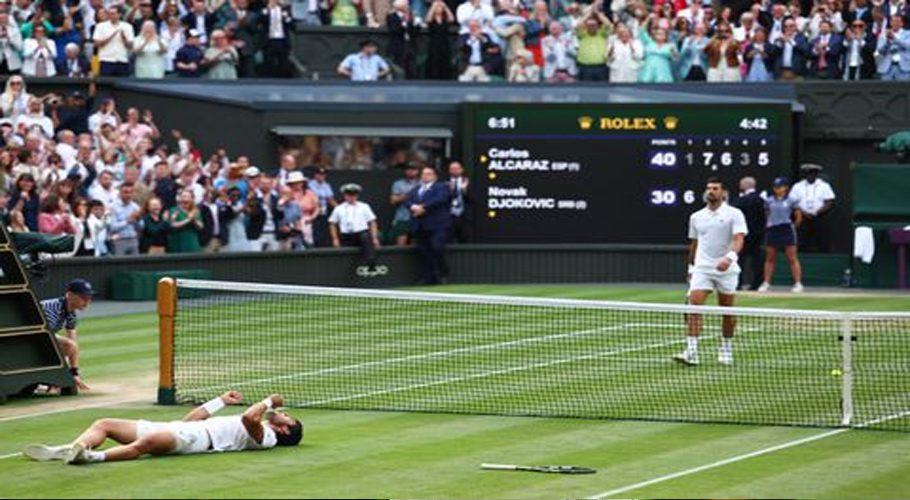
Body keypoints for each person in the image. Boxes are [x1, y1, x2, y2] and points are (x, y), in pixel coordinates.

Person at [23, 392, 302, 465]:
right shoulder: (263, 425)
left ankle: (92, 457)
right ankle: (72, 448)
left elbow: (249, 419)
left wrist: (269, 401)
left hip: (195, 442)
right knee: (104, 423)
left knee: (145, 445)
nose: (284, 414)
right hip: (185, 429)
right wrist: (219, 401)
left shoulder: (267, 438)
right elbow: (192, 419)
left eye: (288, 418)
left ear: (285, 432)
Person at [675, 177, 748, 366]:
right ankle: (691, 351)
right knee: (694, 306)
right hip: (702, 269)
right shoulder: (696, 217)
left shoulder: (735, 214)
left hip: (727, 269)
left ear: (723, 193)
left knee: (727, 312)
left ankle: (726, 348)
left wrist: (730, 258)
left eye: (715, 188)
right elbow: (695, 244)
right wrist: (691, 267)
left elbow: (739, 239)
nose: (711, 191)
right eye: (708, 188)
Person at [40, 279, 94, 390]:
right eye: (83, 298)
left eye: (88, 298)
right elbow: (44, 338)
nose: (87, 302)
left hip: (39, 337)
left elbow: (73, 344)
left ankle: (51, 377)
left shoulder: (71, 314)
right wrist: (62, 373)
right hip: (26, 339)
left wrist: (74, 373)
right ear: (70, 295)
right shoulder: (51, 308)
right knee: (67, 345)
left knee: (70, 345)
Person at [405, 165, 451, 285]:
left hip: (438, 225)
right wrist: (413, 207)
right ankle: (428, 278)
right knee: (424, 253)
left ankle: (443, 274)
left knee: (437, 248)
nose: (425, 176)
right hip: (420, 226)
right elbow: (408, 201)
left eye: (428, 173)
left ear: (435, 176)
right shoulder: (416, 189)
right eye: (423, 174)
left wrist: (423, 207)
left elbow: (440, 199)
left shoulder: (441, 187)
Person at [757, 177, 803, 293]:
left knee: (792, 258)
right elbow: (767, 214)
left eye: (780, 187)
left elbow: (798, 216)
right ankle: (766, 283)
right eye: (775, 187)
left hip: (786, 229)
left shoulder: (792, 200)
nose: (777, 189)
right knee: (770, 258)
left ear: (786, 188)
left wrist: (793, 226)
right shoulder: (769, 200)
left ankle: (797, 283)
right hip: (773, 229)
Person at [329, 183, 381, 272]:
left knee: (365, 237)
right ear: (345, 196)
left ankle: (371, 261)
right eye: (349, 195)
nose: (351, 197)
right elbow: (332, 223)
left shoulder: (364, 206)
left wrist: (374, 237)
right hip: (346, 235)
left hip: (361, 234)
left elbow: (372, 222)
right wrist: (335, 239)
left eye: (353, 195)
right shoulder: (339, 208)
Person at [789, 163, 835, 253]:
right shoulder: (797, 186)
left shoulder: (824, 186)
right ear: (805, 174)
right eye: (808, 173)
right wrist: (803, 212)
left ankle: (823, 258)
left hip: (820, 216)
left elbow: (829, 202)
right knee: (801, 241)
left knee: (822, 240)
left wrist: (817, 212)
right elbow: (793, 202)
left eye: (813, 173)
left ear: (816, 174)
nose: (810, 176)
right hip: (802, 216)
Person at [733, 176, 765, 291]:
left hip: (743, 235)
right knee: (756, 260)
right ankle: (756, 284)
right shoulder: (760, 200)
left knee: (740, 259)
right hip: (758, 235)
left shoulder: (742, 200)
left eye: (741, 184)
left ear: (746, 185)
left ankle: (738, 283)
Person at [93, 6, 136, 76]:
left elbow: (130, 46)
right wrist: (111, 36)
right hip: (106, 60)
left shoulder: (127, 26)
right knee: (105, 85)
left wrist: (124, 38)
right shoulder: (100, 26)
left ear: (119, 14)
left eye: (113, 14)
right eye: (109, 14)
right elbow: (96, 44)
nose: (111, 16)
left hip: (122, 60)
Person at [107, 182, 142, 255]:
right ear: (120, 193)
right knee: (119, 265)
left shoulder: (135, 207)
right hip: (119, 241)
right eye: (125, 192)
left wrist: (137, 220)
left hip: (133, 239)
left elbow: (141, 227)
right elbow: (111, 227)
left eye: (131, 192)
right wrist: (127, 221)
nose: (128, 195)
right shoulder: (112, 207)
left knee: (135, 265)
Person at [386, 0, 418, 79]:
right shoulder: (391, 16)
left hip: (410, 44)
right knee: (399, 67)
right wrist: (404, 23)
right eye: (405, 5)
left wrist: (413, 22)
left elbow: (414, 31)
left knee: (411, 67)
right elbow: (395, 30)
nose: (407, 6)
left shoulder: (410, 16)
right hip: (398, 45)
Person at [389, 161, 419, 246]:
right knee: (400, 243)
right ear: (405, 171)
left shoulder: (422, 183)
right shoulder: (398, 184)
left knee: (417, 243)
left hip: (419, 218)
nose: (411, 171)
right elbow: (393, 200)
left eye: (413, 169)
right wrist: (410, 194)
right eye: (408, 169)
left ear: (417, 171)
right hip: (402, 217)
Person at [167, 189, 204, 253]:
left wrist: (194, 219)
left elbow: (201, 227)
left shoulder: (195, 211)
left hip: (191, 244)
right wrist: (188, 219)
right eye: (184, 196)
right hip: (177, 243)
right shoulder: (174, 210)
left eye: (188, 197)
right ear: (180, 199)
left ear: (192, 199)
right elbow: (172, 225)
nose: (186, 199)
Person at [875, 15, 910, 81]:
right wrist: (887, 43)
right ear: (890, 23)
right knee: (886, 89)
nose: (895, 23)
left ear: (902, 23)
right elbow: (879, 50)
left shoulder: (908, 34)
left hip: (903, 67)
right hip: (887, 67)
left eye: (897, 21)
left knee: (903, 90)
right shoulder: (883, 34)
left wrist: (894, 39)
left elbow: (907, 45)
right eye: (893, 21)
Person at [307, 166, 335, 247]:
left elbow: (330, 199)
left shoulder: (326, 185)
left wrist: (340, 208)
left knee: (323, 232)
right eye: (319, 174)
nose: (321, 176)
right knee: (314, 233)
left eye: (323, 174)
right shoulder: (309, 184)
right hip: (312, 212)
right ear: (315, 175)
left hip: (323, 212)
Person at [446, 160, 471, 243]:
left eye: (457, 168)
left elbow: (474, 200)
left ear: (461, 170)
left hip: (464, 216)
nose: (455, 170)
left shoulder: (468, 181)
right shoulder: (444, 182)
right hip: (448, 216)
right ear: (449, 170)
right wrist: (449, 191)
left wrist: (464, 191)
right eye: (452, 168)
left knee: (465, 239)